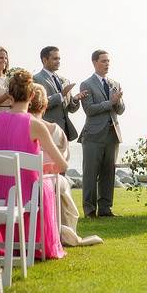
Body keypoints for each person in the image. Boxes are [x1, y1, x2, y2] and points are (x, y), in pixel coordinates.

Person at [0, 69, 68, 259]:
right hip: (24, 196)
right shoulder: (35, 125)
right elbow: (62, 165)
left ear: (10, 95)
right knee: (46, 184)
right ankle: (37, 242)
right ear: (32, 95)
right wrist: (44, 167)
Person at [28, 84, 103, 247]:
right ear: (45, 105)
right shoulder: (53, 130)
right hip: (43, 181)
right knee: (62, 183)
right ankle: (66, 231)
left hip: (17, 182)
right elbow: (63, 162)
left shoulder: (14, 127)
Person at [78, 50, 125, 218]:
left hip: (112, 135)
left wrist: (118, 101)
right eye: (103, 61)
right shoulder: (86, 84)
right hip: (93, 136)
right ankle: (89, 211)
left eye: (108, 61)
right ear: (94, 62)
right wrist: (109, 102)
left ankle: (105, 209)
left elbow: (121, 110)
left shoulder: (115, 83)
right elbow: (89, 110)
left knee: (108, 173)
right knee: (91, 174)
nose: (107, 64)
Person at [33, 46, 87, 142]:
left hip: (65, 132)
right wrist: (61, 95)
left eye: (59, 59)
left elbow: (71, 109)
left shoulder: (65, 81)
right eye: (55, 59)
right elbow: (39, 104)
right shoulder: (36, 79)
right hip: (48, 131)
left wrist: (75, 100)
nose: (58, 61)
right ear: (44, 60)